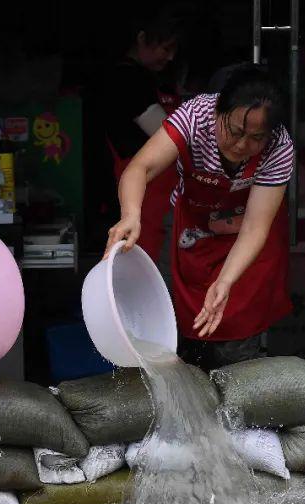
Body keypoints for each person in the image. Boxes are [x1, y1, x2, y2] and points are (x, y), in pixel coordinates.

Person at [105, 64, 294, 371]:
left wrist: (226, 280)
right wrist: (131, 214)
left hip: (244, 245)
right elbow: (140, 169)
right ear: (219, 110)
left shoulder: (280, 148)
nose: (242, 145)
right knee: (175, 331)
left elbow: (254, 229)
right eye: (234, 131)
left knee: (237, 346)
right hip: (192, 232)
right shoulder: (194, 116)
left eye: (256, 138)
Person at [98, 8, 182, 263]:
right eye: (165, 48)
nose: (170, 57)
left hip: (156, 185)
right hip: (143, 184)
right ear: (142, 39)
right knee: (143, 253)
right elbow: (167, 133)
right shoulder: (127, 79)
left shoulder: (144, 77)